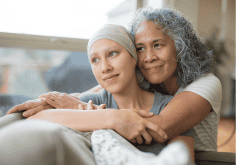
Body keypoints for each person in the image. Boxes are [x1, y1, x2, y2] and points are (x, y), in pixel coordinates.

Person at [7, 6, 222, 154]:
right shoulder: (146, 77)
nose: (148, 57)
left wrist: (100, 114)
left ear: (180, 46)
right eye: (140, 48)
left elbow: (157, 127)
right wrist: (49, 102)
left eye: (157, 45)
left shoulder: (206, 83)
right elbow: (96, 90)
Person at [0, 24, 194, 165]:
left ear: (134, 57)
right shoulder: (98, 101)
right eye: (95, 60)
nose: (105, 68)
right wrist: (111, 118)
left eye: (112, 54)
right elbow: (39, 118)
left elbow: (183, 159)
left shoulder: (169, 108)